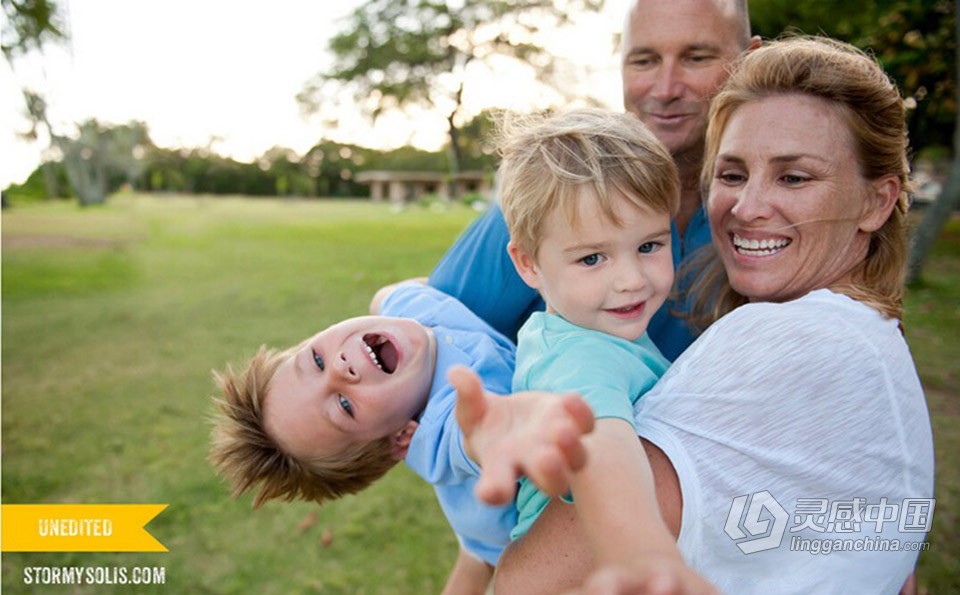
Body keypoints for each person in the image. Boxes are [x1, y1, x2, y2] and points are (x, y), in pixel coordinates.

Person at [451, 37, 935, 594]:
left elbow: (527, 582)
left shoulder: (787, 337)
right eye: (731, 175)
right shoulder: (868, 338)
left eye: (793, 177)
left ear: (877, 201)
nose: (747, 207)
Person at [428, 0, 760, 362]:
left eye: (696, 58)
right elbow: (430, 332)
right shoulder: (556, 192)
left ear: (749, 61)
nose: (665, 89)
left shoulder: (771, 207)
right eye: (644, 61)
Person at [208, 280, 590, 594]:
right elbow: (476, 438)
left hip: (470, 520)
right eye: (343, 405)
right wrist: (496, 435)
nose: (339, 370)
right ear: (402, 439)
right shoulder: (446, 423)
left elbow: (386, 295)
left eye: (317, 360)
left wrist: (385, 297)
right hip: (502, 529)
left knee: (472, 560)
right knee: (485, 559)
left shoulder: (411, 311)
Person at [495, 108, 677, 541]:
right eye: (592, 258)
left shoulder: (584, 332)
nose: (632, 280)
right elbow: (604, 450)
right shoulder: (578, 359)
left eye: (649, 245)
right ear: (529, 265)